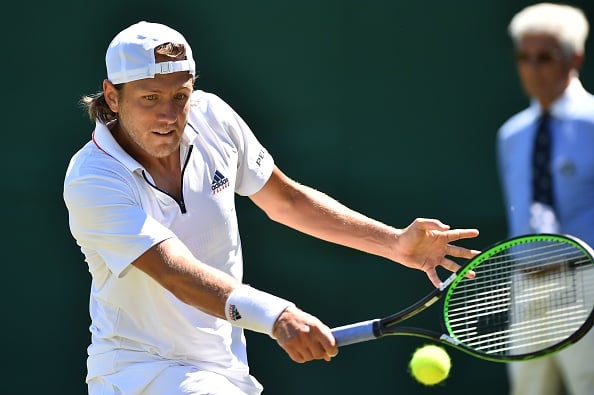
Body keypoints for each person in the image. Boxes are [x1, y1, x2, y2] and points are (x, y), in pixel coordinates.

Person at [63, 21, 480, 395]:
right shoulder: (93, 179)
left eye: (180, 96)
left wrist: (394, 244)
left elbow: (287, 201)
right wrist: (278, 315)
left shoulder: (214, 119)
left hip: (225, 369)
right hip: (140, 374)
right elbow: (175, 272)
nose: (169, 114)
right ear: (112, 98)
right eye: (150, 98)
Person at [497, 3, 594, 395]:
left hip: (587, 283)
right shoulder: (511, 134)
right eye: (524, 57)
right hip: (527, 287)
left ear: (574, 58)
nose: (533, 68)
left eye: (545, 57)